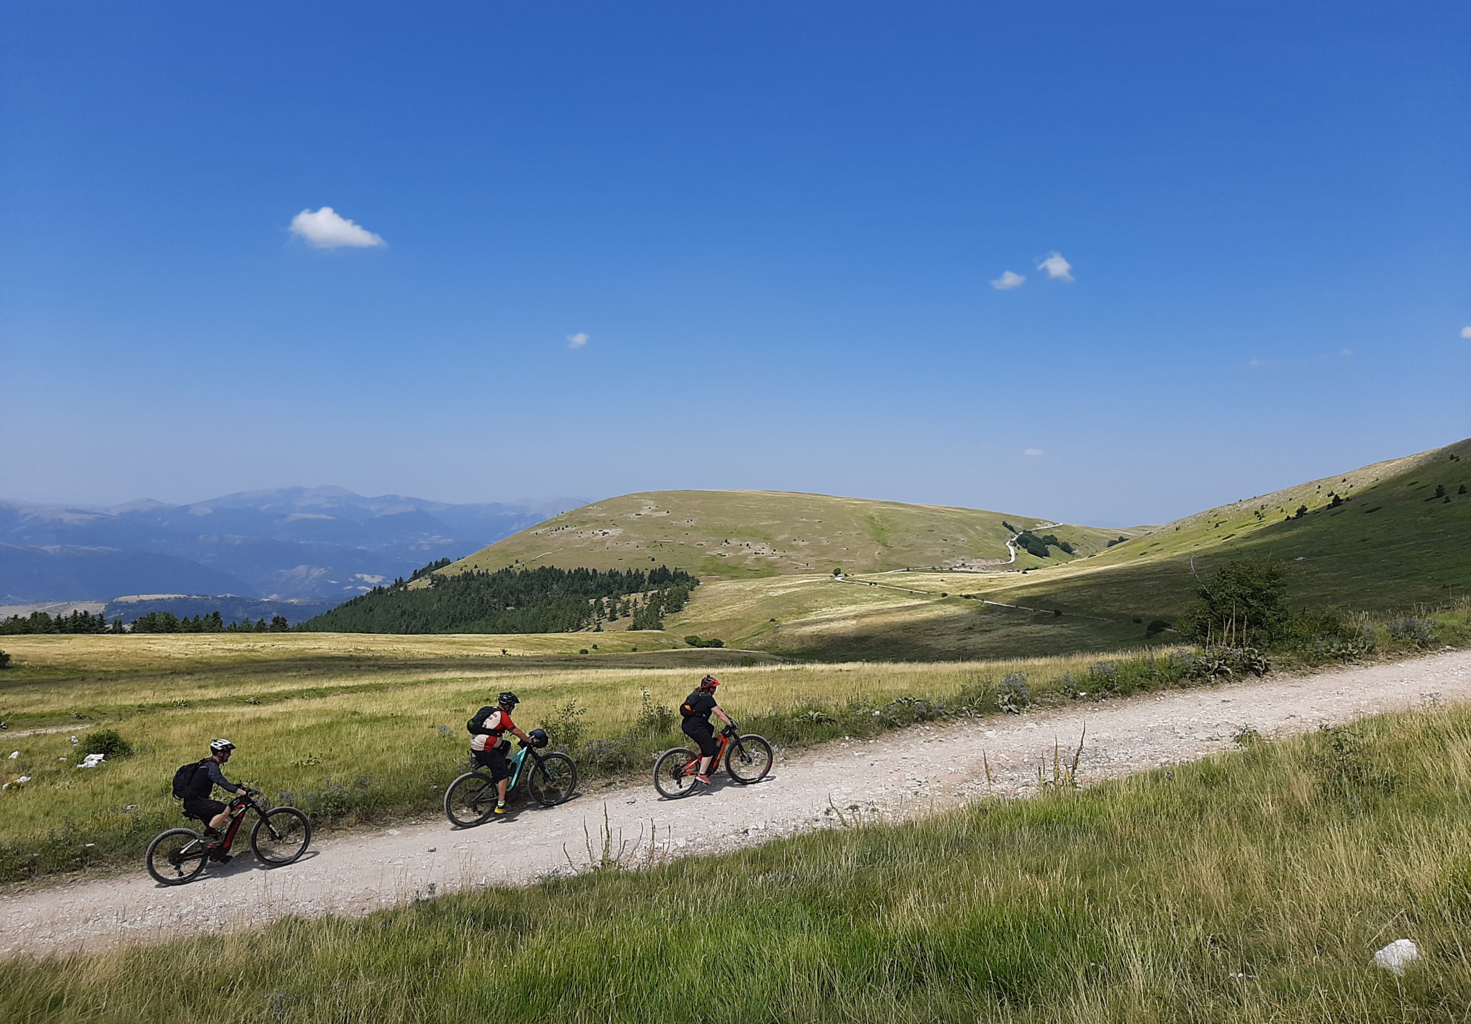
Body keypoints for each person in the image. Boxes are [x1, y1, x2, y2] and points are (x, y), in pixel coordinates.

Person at [180, 739, 249, 858]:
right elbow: (222, 782)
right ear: (220, 753)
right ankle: (209, 835)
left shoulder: (207, 763)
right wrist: (243, 793)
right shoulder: (211, 766)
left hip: (194, 801)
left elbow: (223, 782)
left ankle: (216, 851)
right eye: (228, 752)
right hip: (196, 802)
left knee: (224, 818)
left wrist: (237, 787)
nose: (230, 754)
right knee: (225, 810)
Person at [468, 691, 532, 815]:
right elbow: (516, 731)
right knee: (503, 774)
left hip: (476, 743)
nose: (513, 708)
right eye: (513, 706)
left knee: (506, 745)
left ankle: (498, 769)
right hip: (484, 747)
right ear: (507, 706)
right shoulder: (502, 716)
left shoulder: (490, 710)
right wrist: (528, 740)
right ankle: (500, 805)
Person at [679, 675, 734, 785]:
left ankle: (705, 760)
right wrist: (730, 724)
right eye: (714, 688)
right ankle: (702, 774)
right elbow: (718, 714)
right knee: (710, 748)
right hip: (695, 727)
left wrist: (725, 716)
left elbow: (718, 710)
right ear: (711, 689)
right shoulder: (707, 698)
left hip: (688, 724)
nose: (715, 690)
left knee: (710, 728)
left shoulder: (695, 695)